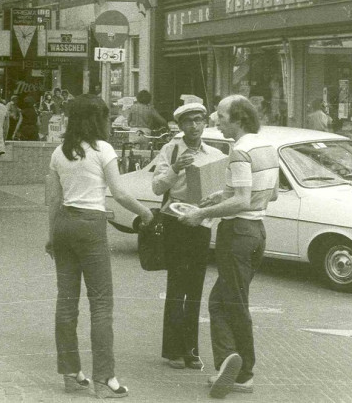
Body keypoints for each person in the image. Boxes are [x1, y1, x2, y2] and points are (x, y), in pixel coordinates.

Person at [46, 94, 154, 399]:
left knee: (66, 302)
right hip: (91, 226)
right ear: (97, 119)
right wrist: (145, 212)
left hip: (63, 224)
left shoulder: (58, 153)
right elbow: (119, 194)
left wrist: (51, 235)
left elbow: (53, 200)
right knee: (101, 304)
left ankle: (70, 374)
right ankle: (104, 379)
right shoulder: (102, 150)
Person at [178, 95, 279, 399]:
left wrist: (201, 213)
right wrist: (218, 197)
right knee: (222, 301)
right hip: (257, 231)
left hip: (237, 232)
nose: (215, 120)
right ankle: (228, 365)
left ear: (238, 119)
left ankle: (243, 372)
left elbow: (241, 200)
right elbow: (270, 194)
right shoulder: (267, 147)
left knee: (233, 303)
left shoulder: (240, 152)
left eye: (221, 116)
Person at [152, 102, 219, 371]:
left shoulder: (213, 152)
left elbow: (216, 189)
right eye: (189, 121)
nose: (194, 125)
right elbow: (157, 187)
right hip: (176, 220)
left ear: (205, 123)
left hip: (200, 221)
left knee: (195, 287)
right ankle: (172, 351)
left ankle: (191, 351)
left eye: (199, 120)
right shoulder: (170, 149)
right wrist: (176, 168)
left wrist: (208, 215)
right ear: (180, 126)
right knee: (177, 285)